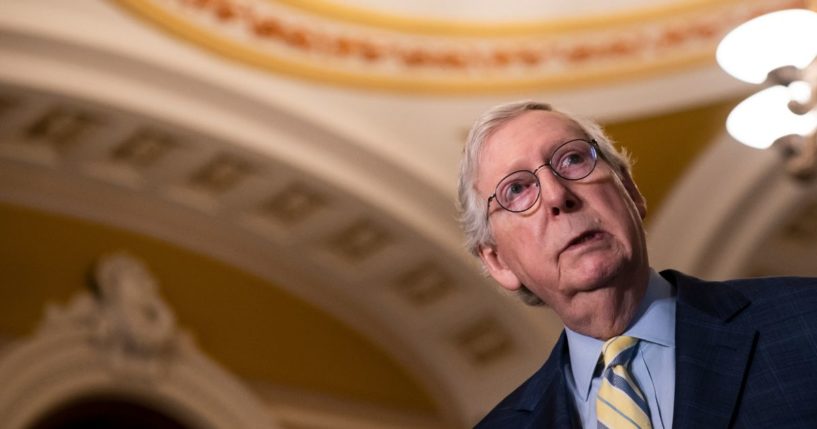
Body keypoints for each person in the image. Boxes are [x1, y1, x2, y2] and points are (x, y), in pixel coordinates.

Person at [457, 100, 817, 428]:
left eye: (573, 159)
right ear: (499, 262)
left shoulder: (806, 318)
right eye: (517, 189)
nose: (556, 194)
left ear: (629, 190)